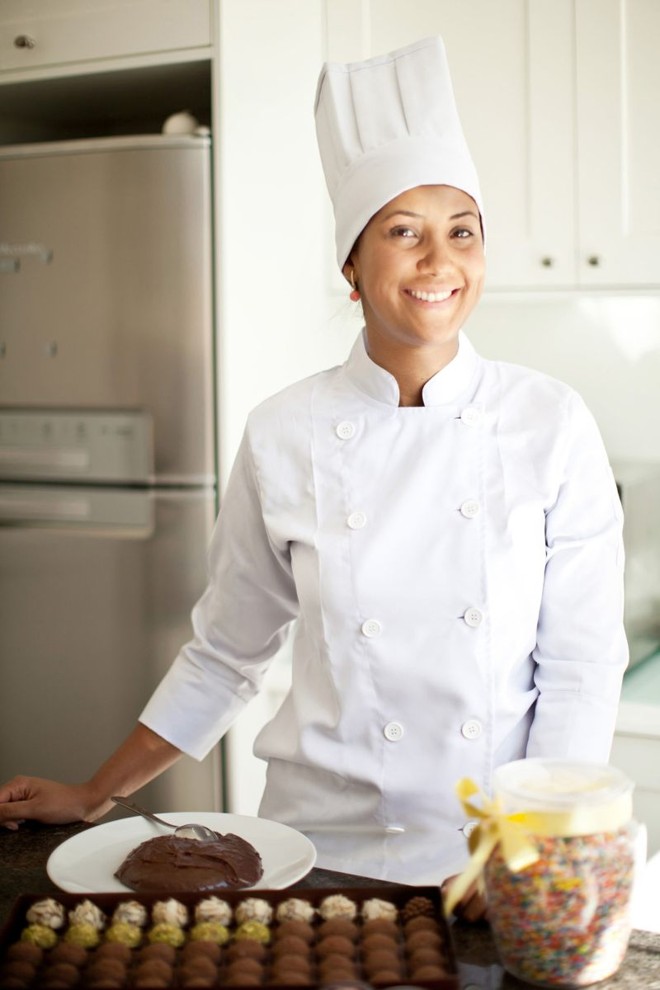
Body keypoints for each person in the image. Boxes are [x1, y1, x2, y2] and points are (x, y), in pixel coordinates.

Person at [0, 38, 627, 920]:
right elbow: (226, 653)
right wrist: (97, 794)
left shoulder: (550, 423)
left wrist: (524, 852)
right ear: (351, 265)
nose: (438, 262)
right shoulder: (283, 432)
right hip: (314, 858)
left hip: (485, 857)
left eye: (462, 232)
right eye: (402, 232)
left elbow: (581, 669)